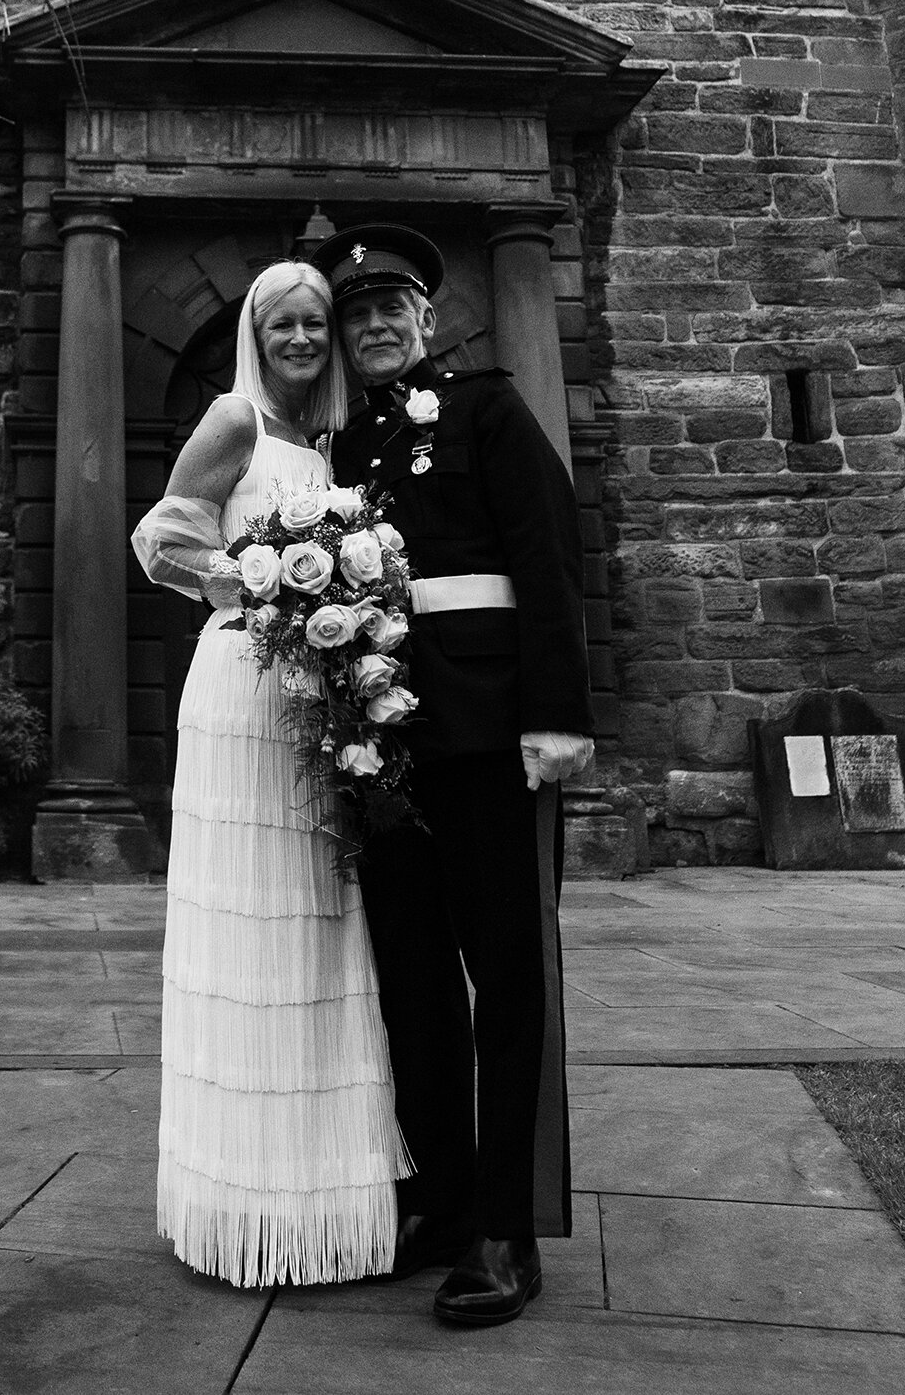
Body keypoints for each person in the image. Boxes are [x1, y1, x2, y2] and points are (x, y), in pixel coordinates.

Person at [316, 222, 596, 1332]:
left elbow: (547, 554)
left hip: (487, 735)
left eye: (393, 305)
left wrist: (559, 716)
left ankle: (506, 1228)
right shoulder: (341, 450)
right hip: (383, 752)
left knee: (507, 979)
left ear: (429, 317)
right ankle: (440, 1195)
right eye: (357, 311)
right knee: (414, 983)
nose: (376, 322)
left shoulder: (485, 408)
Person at [131, 259, 408, 1290]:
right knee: (253, 916)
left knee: (327, 914)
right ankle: (243, 1197)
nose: (299, 339)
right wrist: (252, 585)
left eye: (314, 323)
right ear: (257, 332)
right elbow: (159, 535)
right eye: (282, 323)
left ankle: (331, 1193)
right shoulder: (232, 420)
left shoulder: (326, 439)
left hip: (322, 693)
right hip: (246, 691)